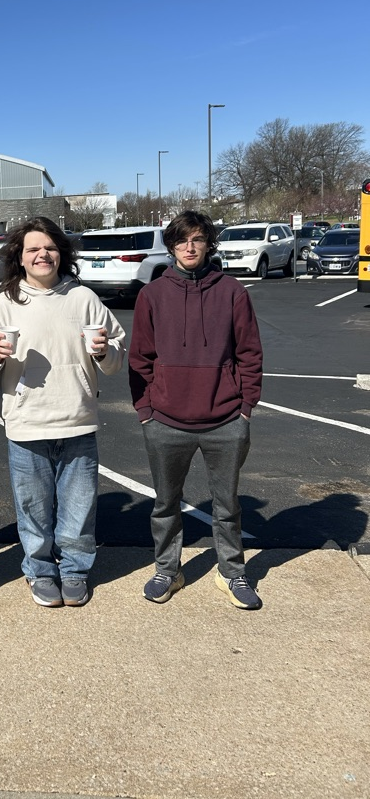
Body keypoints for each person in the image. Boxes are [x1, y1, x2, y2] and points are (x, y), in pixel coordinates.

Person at [0, 217, 125, 608]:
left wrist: (103, 351)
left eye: (50, 247)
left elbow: (115, 359)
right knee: (33, 508)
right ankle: (40, 570)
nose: (43, 254)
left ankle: (75, 569)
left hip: (77, 417)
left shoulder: (83, 298)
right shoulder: (4, 304)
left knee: (79, 507)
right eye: (33, 249)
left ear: (61, 253)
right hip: (26, 423)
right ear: (20, 258)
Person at [128, 210, 264, 610]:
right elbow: (140, 359)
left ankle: (233, 573)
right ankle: (168, 570)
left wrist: (245, 407)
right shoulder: (152, 295)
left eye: (198, 239)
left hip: (225, 420)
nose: (190, 247)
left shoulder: (232, 292)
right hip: (166, 422)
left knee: (227, 506)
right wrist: (146, 411)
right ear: (172, 246)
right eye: (182, 240)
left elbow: (250, 355)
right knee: (165, 504)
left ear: (209, 245)